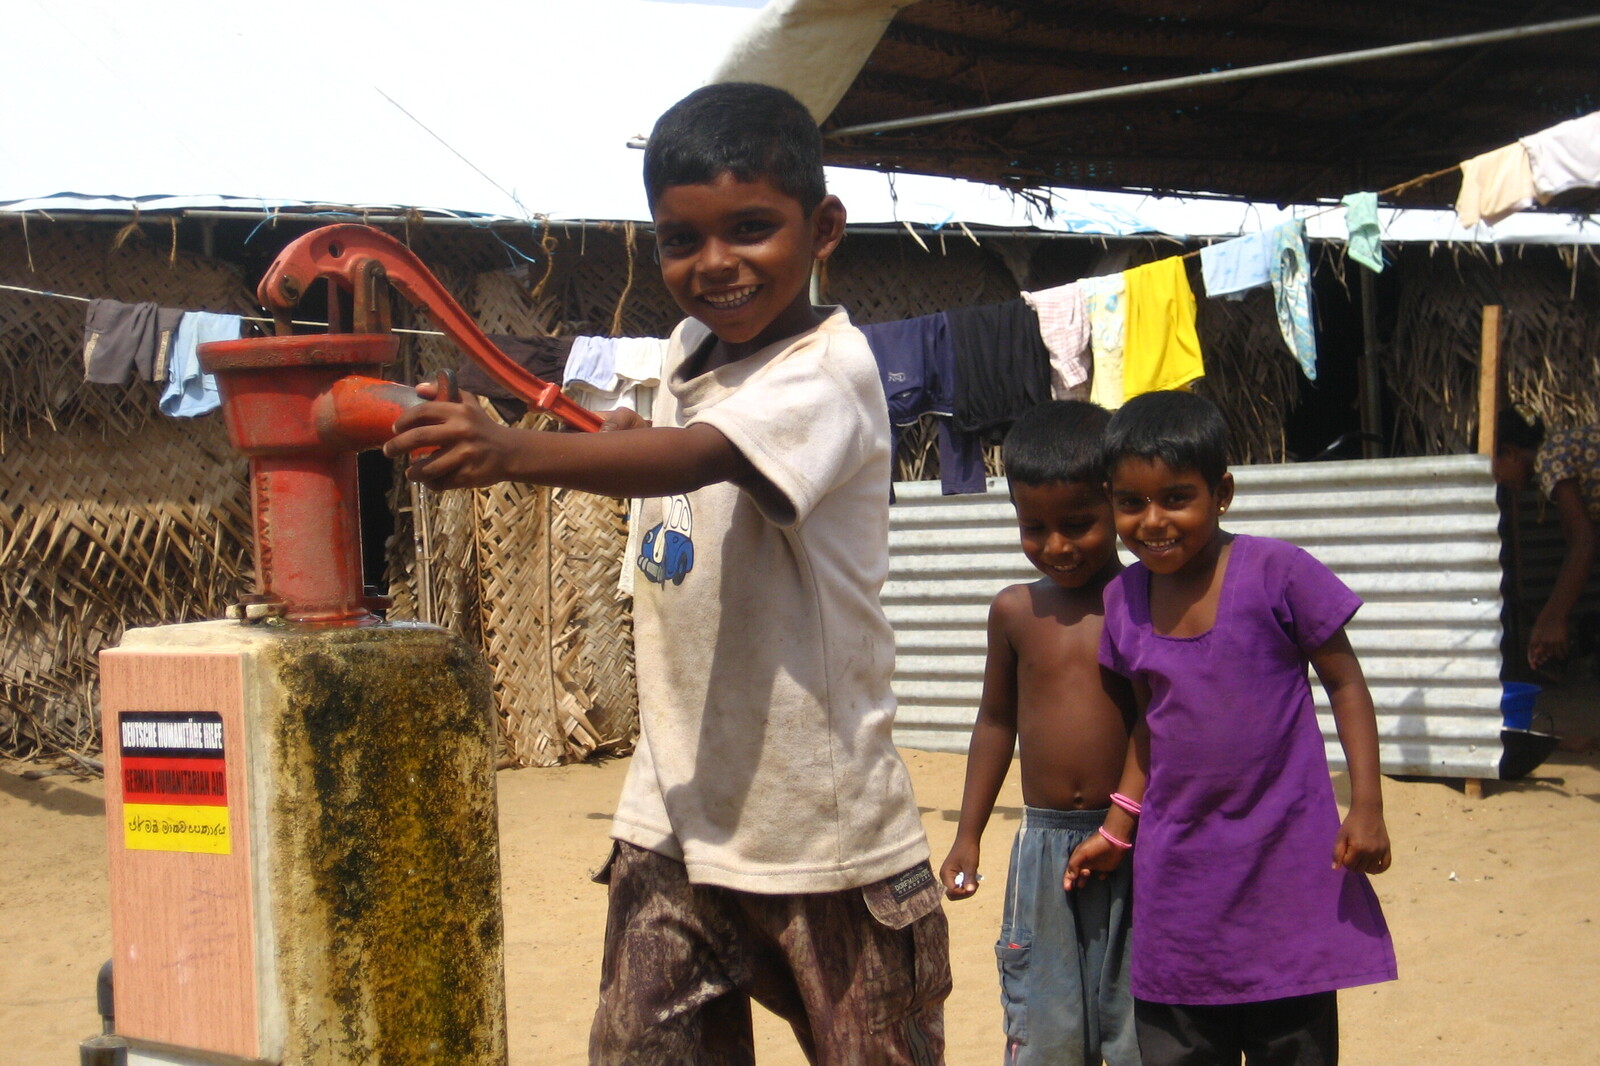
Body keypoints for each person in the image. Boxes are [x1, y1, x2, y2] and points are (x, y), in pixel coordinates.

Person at [385, 82, 950, 1065]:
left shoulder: (831, 369)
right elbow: (680, 454)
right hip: (678, 809)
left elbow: (706, 460)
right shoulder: (689, 354)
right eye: (681, 239)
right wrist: (630, 437)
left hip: (825, 827)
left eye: (750, 228)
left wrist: (512, 451)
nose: (715, 264)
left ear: (822, 228)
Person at [1066, 390, 1396, 1066]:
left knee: (1291, 1036)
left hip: (1286, 869)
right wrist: (1116, 828)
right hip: (1181, 877)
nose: (1153, 521)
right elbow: (1150, 730)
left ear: (1223, 492)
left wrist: (1366, 805)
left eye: (1176, 498)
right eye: (1131, 502)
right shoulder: (1123, 601)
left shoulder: (1278, 573)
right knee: (1180, 1041)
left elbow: (1345, 683)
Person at [938, 400, 1140, 1066]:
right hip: (1044, 848)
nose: (1057, 545)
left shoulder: (1145, 603)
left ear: (1115, 502)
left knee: (1139, 1026)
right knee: (1046, 1028)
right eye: (1035, 527)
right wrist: (968, 833)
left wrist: (1126, 822)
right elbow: (995, 721)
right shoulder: (1015, 612)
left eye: (1078, 524)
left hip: (1136, 842)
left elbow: (1165, 723)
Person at [1491, 404, 1599, 671]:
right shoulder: (1557, 461)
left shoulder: (1550, 458)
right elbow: (1576, 547)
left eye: (1494, 471)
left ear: (1509, 452)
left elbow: (1585, 540)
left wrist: (1555, 619)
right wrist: (1548, 621)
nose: (1497, 482)